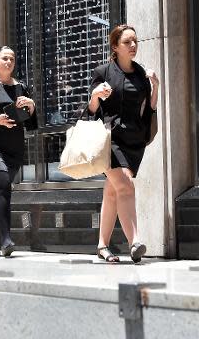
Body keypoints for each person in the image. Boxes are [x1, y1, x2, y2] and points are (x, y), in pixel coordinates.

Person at [88, 25, 158, 263]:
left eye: (135, 41)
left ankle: (102, 246)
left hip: (133, 141)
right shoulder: (103, 72)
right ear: (115, 47)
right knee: (126, 186)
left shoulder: (140, 74)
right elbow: (90, 111)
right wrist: (96, 96)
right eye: (127, 42)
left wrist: (155, 87)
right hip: (110, 139)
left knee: (113, 192)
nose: (133, 45)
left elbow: (148, 110)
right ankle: (135, 241)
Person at [0, 46, 36, 257]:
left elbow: (31, 122)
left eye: (12, 59)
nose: (9, 62)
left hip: (14, 148)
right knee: (2, 181)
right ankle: (6, 239)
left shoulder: (21, 87)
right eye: (4, 58)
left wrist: (31, 105)